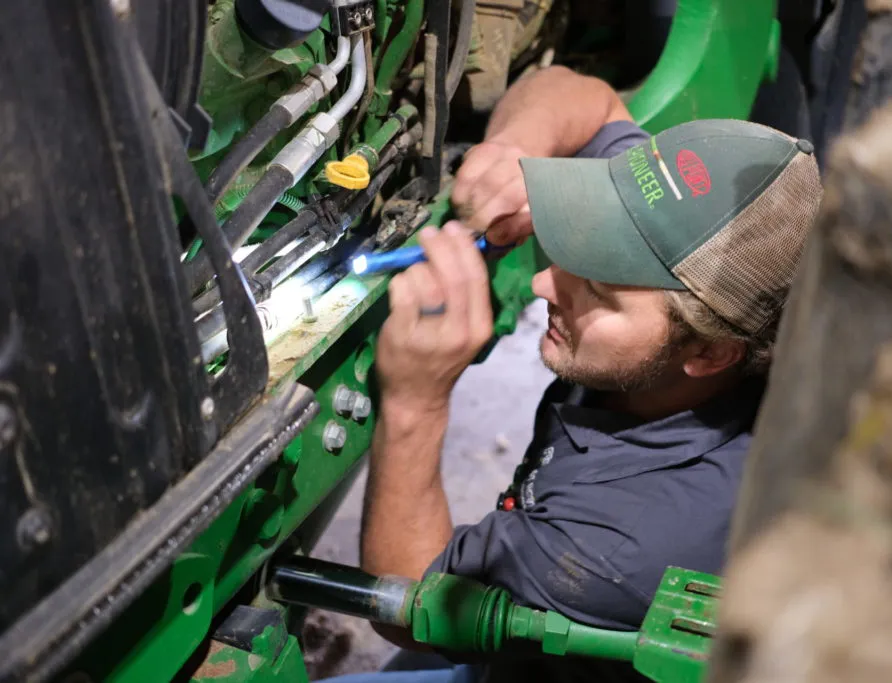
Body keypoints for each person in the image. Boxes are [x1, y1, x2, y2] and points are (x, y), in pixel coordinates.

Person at [336, 67, 822, 683]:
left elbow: (409, 607)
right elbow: (587, 98)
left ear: (709, 353)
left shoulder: (627, 539)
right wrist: (516, 150)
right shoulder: (696, 255)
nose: (543, 283)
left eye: (597, 287)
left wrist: (415, 403)